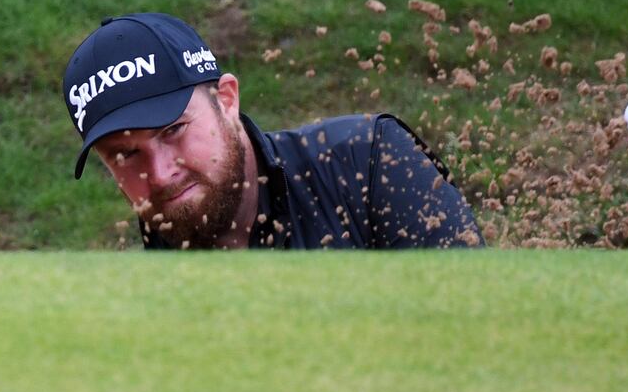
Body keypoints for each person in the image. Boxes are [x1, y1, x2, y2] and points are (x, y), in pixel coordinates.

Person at [63, 13, 484, 250]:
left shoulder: (367, 165)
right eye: (124, 155)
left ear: (226, 100)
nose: (158, 173)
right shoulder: (138, 305)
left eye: (173, 130)